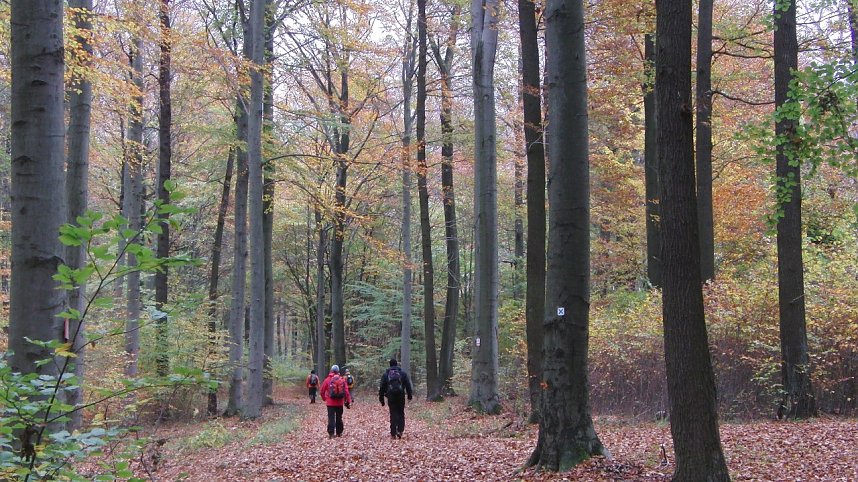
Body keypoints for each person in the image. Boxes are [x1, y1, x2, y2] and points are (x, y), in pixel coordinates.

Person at [379, 358, 413, 439]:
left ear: (390, 365)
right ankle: (400, 430)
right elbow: (408, 385)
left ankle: (393, 432)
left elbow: (382, 387)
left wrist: (381, 399)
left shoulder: (386, 374)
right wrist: (409, 395)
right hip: (401, 396)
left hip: (391, 396)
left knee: (393, 413)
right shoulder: (402, 374)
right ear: (397, 364)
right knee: (401, 413)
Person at [319, 364, 352, 438]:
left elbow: (321, 391)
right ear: (338, 371)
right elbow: (346, 392)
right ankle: (339, 432)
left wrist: (325, 398)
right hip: (339, 403)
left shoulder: (327, 380)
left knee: (331, 418)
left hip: (330, 403)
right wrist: (348, 401)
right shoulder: (342, 380)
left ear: (331, 371)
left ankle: (331, 433)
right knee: (339, 417)